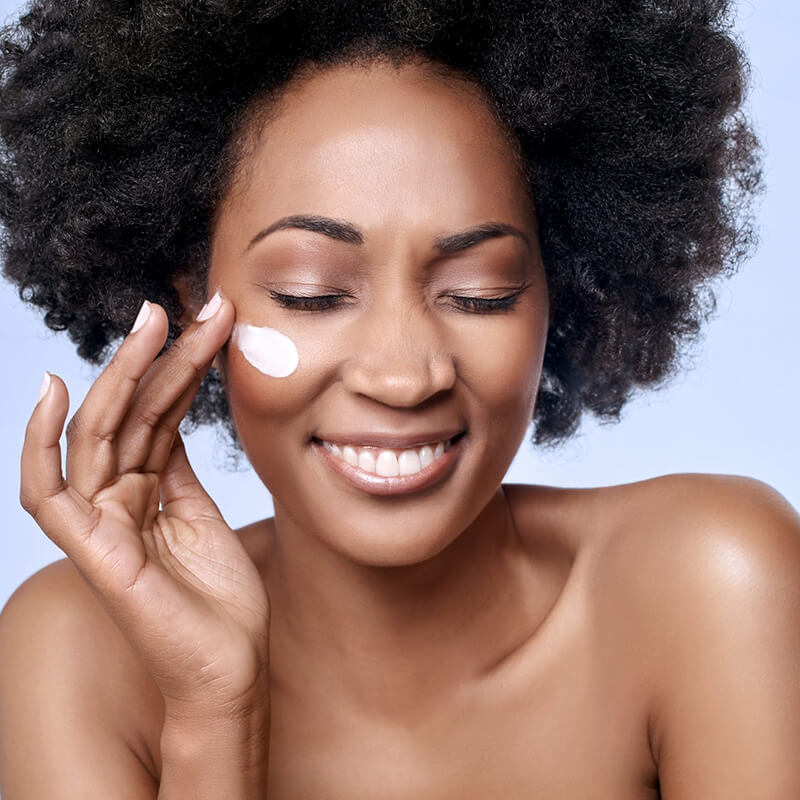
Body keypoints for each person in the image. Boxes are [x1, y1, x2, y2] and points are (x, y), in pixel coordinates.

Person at [0, 1, 798, 797]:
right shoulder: (76, 655)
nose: (406, 376)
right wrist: (216, 715)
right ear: (191, 299)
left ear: (562, 291)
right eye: (310, 293)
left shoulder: (711, 586)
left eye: (480, 293)